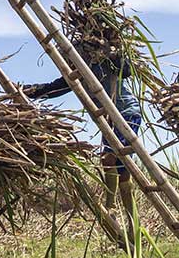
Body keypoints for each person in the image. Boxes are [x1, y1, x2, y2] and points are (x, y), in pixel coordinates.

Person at [26, 58, 141, 222]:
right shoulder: (77, 74)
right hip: (110, 119)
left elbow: (127, 70)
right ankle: (133, 224)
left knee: (109, 158)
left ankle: (111, 207)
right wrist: (27, 90)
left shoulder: (104, 61)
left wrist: (114, 54)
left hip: (126, 113)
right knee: (122, 173)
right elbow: (53, 89)